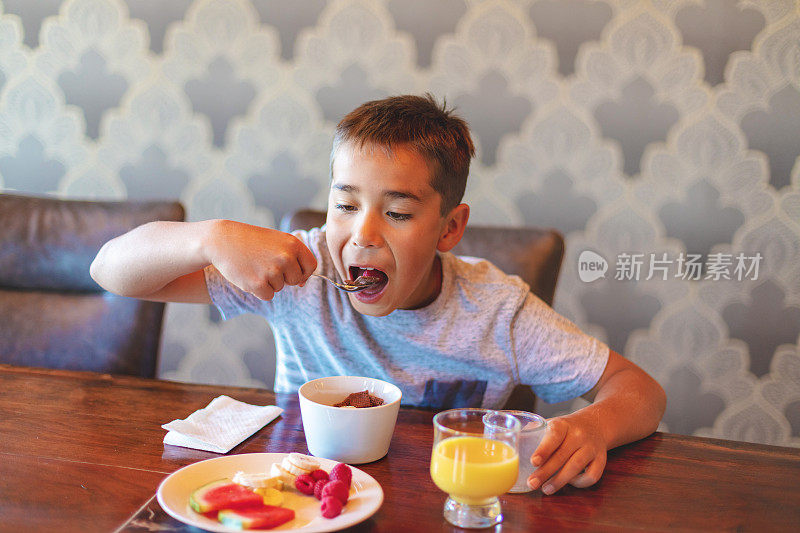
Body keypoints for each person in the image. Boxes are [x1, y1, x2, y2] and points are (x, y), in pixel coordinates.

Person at [91, 94, 666, 495]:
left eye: (396, 212)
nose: (362, 233)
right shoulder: (301, 272)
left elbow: (638, 390)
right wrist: (211, 237)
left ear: (448, 228)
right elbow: (111, 271)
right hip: (303, 498)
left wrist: (593, 427)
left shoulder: (494, 312)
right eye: (344, 204)